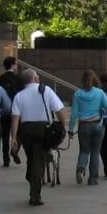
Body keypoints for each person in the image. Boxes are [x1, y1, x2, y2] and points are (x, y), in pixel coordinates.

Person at [9, 71, 67, 205]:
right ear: (36, 78)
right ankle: (35, 195)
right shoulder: (47, 91)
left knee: (31, 158)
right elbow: (59, 110)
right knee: (39, 161)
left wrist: (14, 137)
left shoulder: (19, 95)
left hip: (26, 130)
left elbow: (15, 118)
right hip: (43, 129)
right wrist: (62, 126)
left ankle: (30, 177)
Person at [69, 70, 107, 186]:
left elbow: (73, 114)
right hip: (98, 125)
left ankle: (81, 168)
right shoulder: (100, 92)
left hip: (83, 126)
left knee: (84, 150)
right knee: (95, 152)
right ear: (95, 80)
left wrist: (70, 129)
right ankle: (93, 179)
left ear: (82, 80)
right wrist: (101, 107)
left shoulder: (77, 94)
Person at [0, 56, 22, 167]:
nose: (17, 66)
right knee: (18, 133)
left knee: (4, 135)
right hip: (16, 111)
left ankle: (6, 157)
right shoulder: (19, 79)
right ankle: (14, 149)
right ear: (13, 65)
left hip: (4, 111)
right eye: (16, 64)